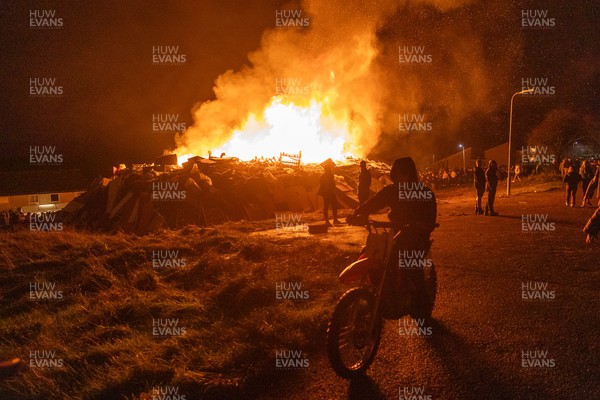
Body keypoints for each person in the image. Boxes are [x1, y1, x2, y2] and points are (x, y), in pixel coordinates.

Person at [350, 157, 437, 317]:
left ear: (409, 175)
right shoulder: (392, 190)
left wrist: (421, 225)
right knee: (370, 252)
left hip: (415, 238)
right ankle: (377, 294)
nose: (398, 179)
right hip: (395, 236)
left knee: (411, 267)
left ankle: (423, 309)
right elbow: (375, 202)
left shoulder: (424, 193)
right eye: (396, 176)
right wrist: (358, 212)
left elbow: (430, 218)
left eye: (401, 175)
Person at [317, 159, 341, 226]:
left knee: (332, 206)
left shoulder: (328, 175)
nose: (330, 170)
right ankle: (328, 221)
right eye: (329, 169)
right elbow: (324, 186)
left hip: (329, 193)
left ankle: (334, 220)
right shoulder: (325, 176)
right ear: (327, 169)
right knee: (327, 207)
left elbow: (332, 184)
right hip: (327, 193)